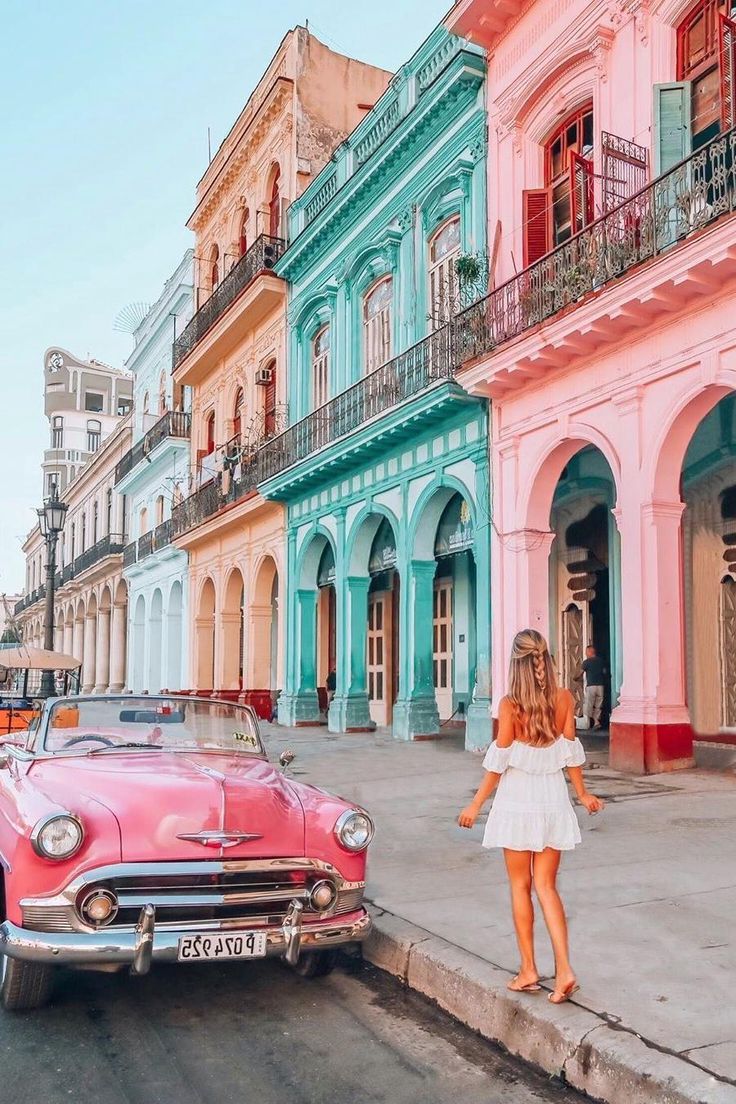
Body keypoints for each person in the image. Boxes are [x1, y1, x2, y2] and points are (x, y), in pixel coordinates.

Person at [458, 629, 604, 1004]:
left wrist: (475, 805)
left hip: (518, 802)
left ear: (516, 663)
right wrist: (583, 794)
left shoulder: (510, 705)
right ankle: (565, 970)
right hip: (553, 800)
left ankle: (529, 971)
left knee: (520, 887)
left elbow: (498, 762)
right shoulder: (564, 698)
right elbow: (572, 753)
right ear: (546, 660)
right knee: (547, 887)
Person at [578, 645, 607, 730]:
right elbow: (604, 672)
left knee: (588, 705)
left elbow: (580, 673)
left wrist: (575, 678)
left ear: (590, 652)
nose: (586, 654)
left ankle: (586, 723)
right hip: (600, 686)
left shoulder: (586, 662)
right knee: (598, 705)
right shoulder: (601, 661)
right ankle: (596, 722)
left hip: (591, 686)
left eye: (586, 652)